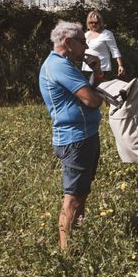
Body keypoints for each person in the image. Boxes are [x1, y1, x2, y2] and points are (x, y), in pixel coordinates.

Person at [38, 20, 104, 252]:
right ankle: (67, 251)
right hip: (75, 139)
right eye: (82, 42)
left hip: (83, 136)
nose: (85, 48)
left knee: (81, 193)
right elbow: (92, 100)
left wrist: (95, 70)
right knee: (72, 198)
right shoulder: (59, 67)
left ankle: (78, 240)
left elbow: (89, 94)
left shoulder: (65, 64)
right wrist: (96, 91)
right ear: (68, 42)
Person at [81, 11, 124, 78]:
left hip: (102, 69)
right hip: (86, 69)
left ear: (100, 23)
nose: (94, 24)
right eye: (91, 22)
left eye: (96, 22)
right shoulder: (85, 34)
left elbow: (114, 50)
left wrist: (120, 65)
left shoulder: (107, 34)